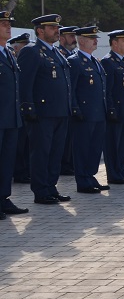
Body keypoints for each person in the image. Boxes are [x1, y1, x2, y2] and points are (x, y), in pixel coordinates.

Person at [18, 14, 72, 205]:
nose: (57, 31)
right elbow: (25, 83)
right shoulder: (32, 51)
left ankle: (51, 186)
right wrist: (27, 106)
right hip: (42, 113)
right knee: (41, 152)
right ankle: (41, 191)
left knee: (56, 153)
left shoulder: (57, 52)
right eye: (52, 28)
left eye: (57, 27)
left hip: (60, 112)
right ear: (40, 31)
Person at [67, 26, 108, 194]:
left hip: (98, 112)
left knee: (94, 148)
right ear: (81, 41)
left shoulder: (94, 61)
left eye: (95, 38)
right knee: (82, 147)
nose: (96, 40)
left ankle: (90, 176)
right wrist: (75, 108)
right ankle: (82, 180)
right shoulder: (74, 61)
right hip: (85, 113)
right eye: (92, 38)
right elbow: (72, 88)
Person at [101, 30, 124, 185]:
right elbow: (107, 90)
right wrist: (110, 109)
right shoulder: (108, 62)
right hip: (116, 110)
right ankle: (114, 173)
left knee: (123, 144)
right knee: (113, 144)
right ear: (114, 43)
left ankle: (121, 170)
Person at [0, 12, 28, 218]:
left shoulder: (8, 53)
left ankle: (3, 198)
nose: (8, 27)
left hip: (11, 117)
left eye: (9, 23)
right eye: (3, 24)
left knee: (7, 160)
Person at [9, 33, 30, 185]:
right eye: (24, 46)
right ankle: (19, 172)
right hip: (12, 109)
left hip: (20, 109)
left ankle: (23, 171)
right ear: (16, 48)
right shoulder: (14, 60)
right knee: (17, 145)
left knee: (24, 143)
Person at [56, 25, 77, 176]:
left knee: (71, 137)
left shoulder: (72, 54)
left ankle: (69, 163)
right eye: (71, 36)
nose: (74, 39)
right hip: (61, 102)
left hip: (69, 103)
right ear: (62, 38)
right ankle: (64, 164)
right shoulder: (60, 53)